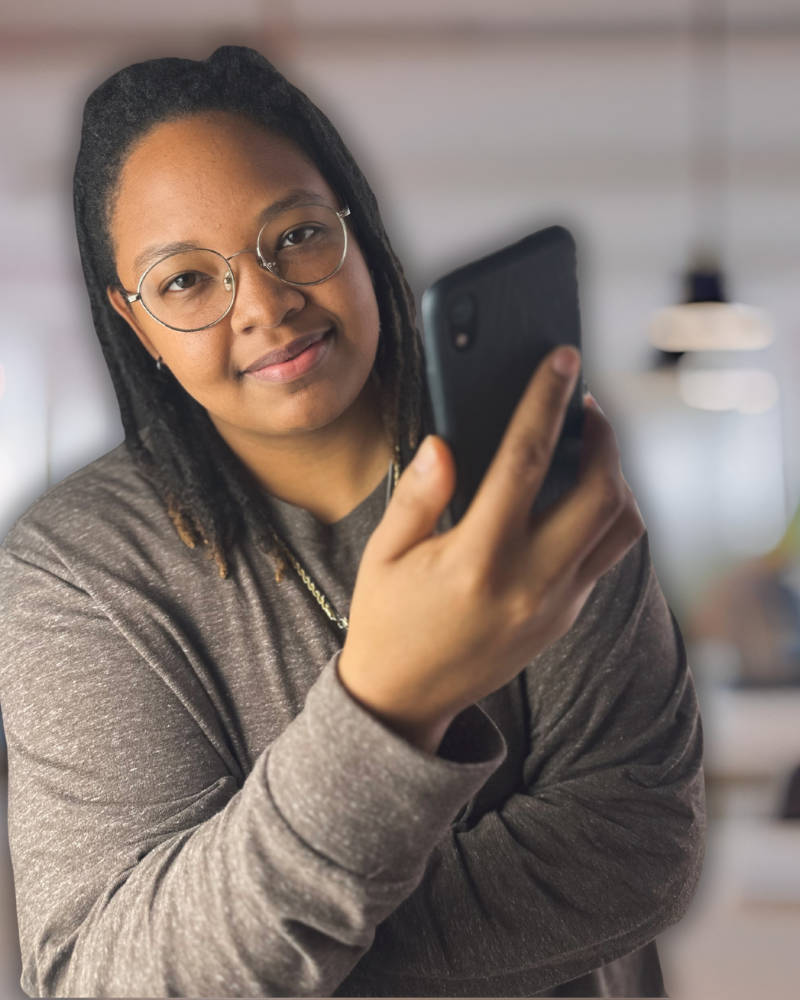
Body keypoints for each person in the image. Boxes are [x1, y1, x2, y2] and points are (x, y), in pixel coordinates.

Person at [0, 47, 705, 998]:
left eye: (293, 236)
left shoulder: (524, 466)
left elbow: (637, 844)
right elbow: (105, 978)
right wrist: (388, 697)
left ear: (355, 229)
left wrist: (281, 964)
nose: (266, 304)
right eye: (186, 283)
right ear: (136, 324)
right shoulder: (76, 574)